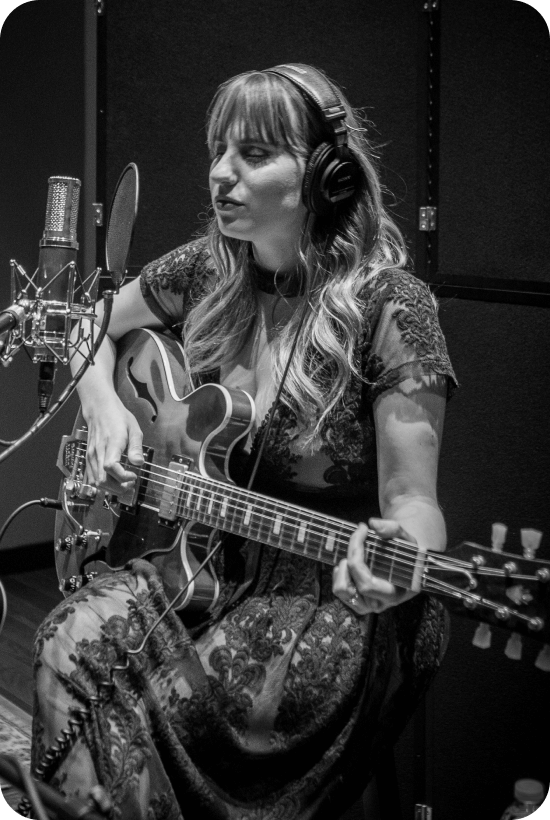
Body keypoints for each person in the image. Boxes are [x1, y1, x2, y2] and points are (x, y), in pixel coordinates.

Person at [29, 64, 457, 820]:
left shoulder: (392, 306)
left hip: (323, 592)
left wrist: (397, 564)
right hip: (194, 560)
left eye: (254, 154)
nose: (221, 174)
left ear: (325, 176)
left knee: (212, 701)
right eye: (218, 149)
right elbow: (92, 325)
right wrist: (102, 406)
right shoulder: (207, 267)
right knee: (69, 634)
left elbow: (414, 504)